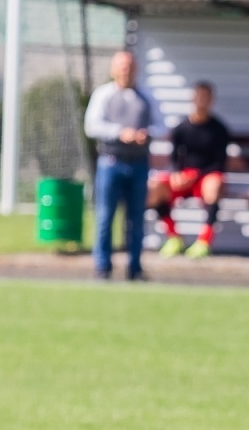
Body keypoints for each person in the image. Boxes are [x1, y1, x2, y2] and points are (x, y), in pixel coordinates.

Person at [84, 51, 162, 281]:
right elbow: (92, 126)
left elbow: (162, 125)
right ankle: (102, 266)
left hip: (138, 163)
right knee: (105, 216)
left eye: (129, 66)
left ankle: (135, 267)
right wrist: (120, 133)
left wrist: (146, 134)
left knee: (137, 218)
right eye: (121, 66)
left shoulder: (146, 96)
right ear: (113, 69)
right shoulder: (103, 94)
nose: (125, 70)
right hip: (111, 161)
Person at [149, 81, 237, 260]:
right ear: (193, 99)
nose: (202, 101)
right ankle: (174, 238)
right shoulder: (182, 128)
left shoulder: (219, 129)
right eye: (199, 97)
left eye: (206, 97)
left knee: (215, 184)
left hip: (205, 177)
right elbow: (174, 158)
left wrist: (196, 175)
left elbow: (220, 163)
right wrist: (177, 174)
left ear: (212, 100)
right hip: (185, 178)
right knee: (155, 186)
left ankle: (204, 241)